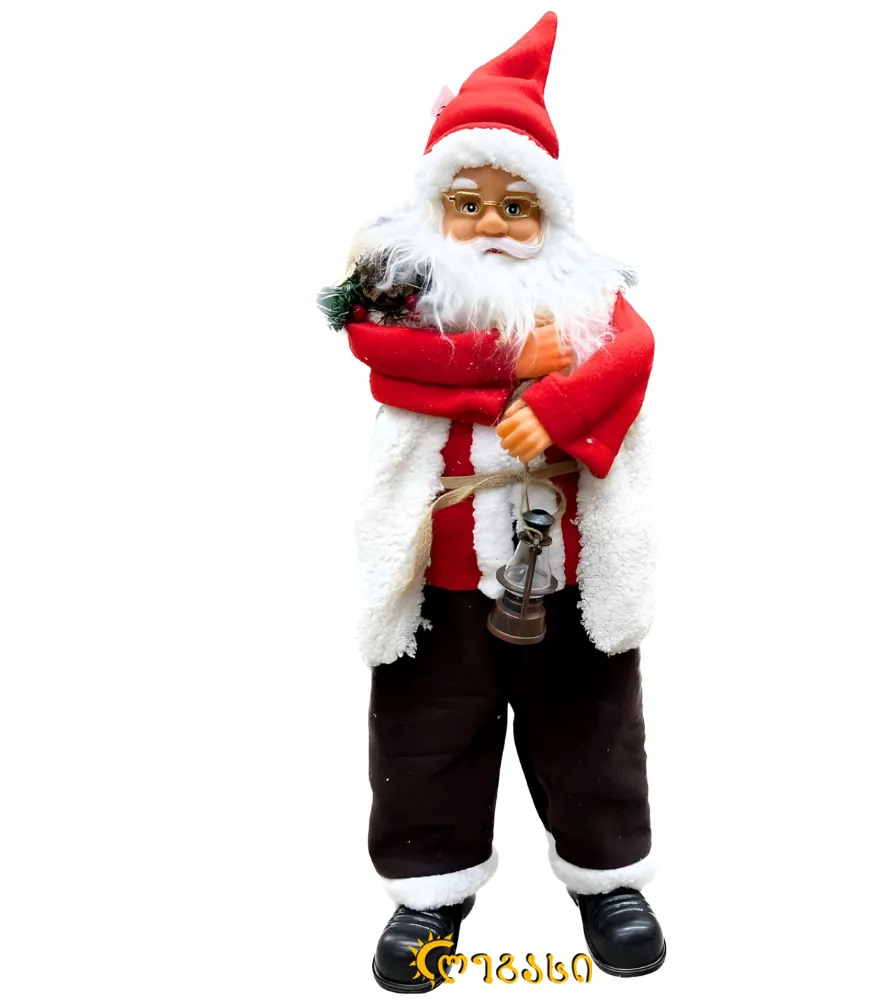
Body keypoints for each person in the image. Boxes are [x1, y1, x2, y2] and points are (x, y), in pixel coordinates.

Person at [320, 12, 664, 989]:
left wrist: (554, 407)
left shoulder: (587, 300)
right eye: (466, 204)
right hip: (440, 574)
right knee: (429, 732)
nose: (493, 224)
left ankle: (608, 878)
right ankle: (429, 891)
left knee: (589, 725)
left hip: (566, 569)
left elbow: (634, 351)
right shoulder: (408, 301)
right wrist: (510, 366)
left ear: (550, 217)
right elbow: (386, 360)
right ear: (434, 213)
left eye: (517, 206)